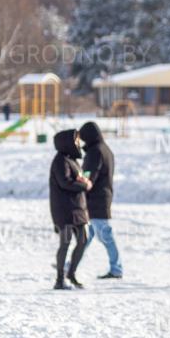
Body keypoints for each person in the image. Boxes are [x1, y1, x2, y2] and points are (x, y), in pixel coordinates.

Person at [49, 129, 91, 290]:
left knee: (83, 240)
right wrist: (84, 184)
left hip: (78, 208)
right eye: (76, 140)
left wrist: (82, 180)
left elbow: (74, 179)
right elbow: (65, 182)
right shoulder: (60, 160)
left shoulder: (72, 160)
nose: (78, 144)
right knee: (65, 243)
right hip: (64, 209)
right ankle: (59, 280)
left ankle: (71, 273)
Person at [79, 121, 122, 279]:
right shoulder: (105, 149)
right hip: (102, 197)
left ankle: (117, 269)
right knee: (86, 236)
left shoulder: (95, 151)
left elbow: (90, 174)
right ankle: (70, 264)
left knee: (105, 236)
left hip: (96, 200)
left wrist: (80, 182)